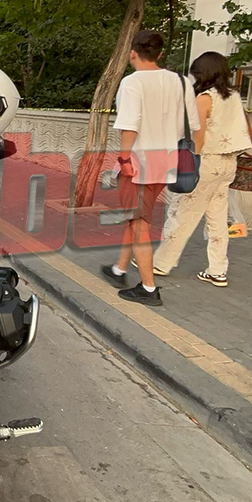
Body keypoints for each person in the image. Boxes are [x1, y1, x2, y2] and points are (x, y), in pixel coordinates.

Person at [100, 30, 200, 306]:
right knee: (138, 217)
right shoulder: (181, 82)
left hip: (138, 164)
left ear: (132, 52)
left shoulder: (132, 83)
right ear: (160, 54)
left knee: (138, 222)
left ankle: (148, 287)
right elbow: (193, 125)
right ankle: (119, 269)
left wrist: (123, 160)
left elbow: (129, 126)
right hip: (167, 162)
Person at [152, 52, 252, 286]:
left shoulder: (205, 99)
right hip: (228, 163)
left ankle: (161, 263)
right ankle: (218, 270)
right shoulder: (234, 96)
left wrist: (189, 162)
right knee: (217, 218)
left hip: (206, 162)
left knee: (182, 213)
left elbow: (198, 135)